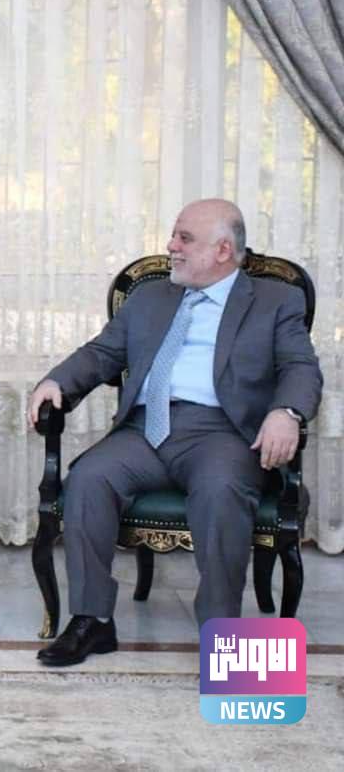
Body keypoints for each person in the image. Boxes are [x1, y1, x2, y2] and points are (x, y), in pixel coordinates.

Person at [28, 199, 322, 667]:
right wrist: (57, 382)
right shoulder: (151, 296)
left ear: (222, 250)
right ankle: (92, 619)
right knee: (89, 479)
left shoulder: (274, 301)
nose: (171, 246)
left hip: (222, 433)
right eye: (174, 236)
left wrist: (287, 412)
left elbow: (300, 367)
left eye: (184, 238)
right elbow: (102, 352)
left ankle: (223, 638)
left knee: (221, 491)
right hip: (144, 430)